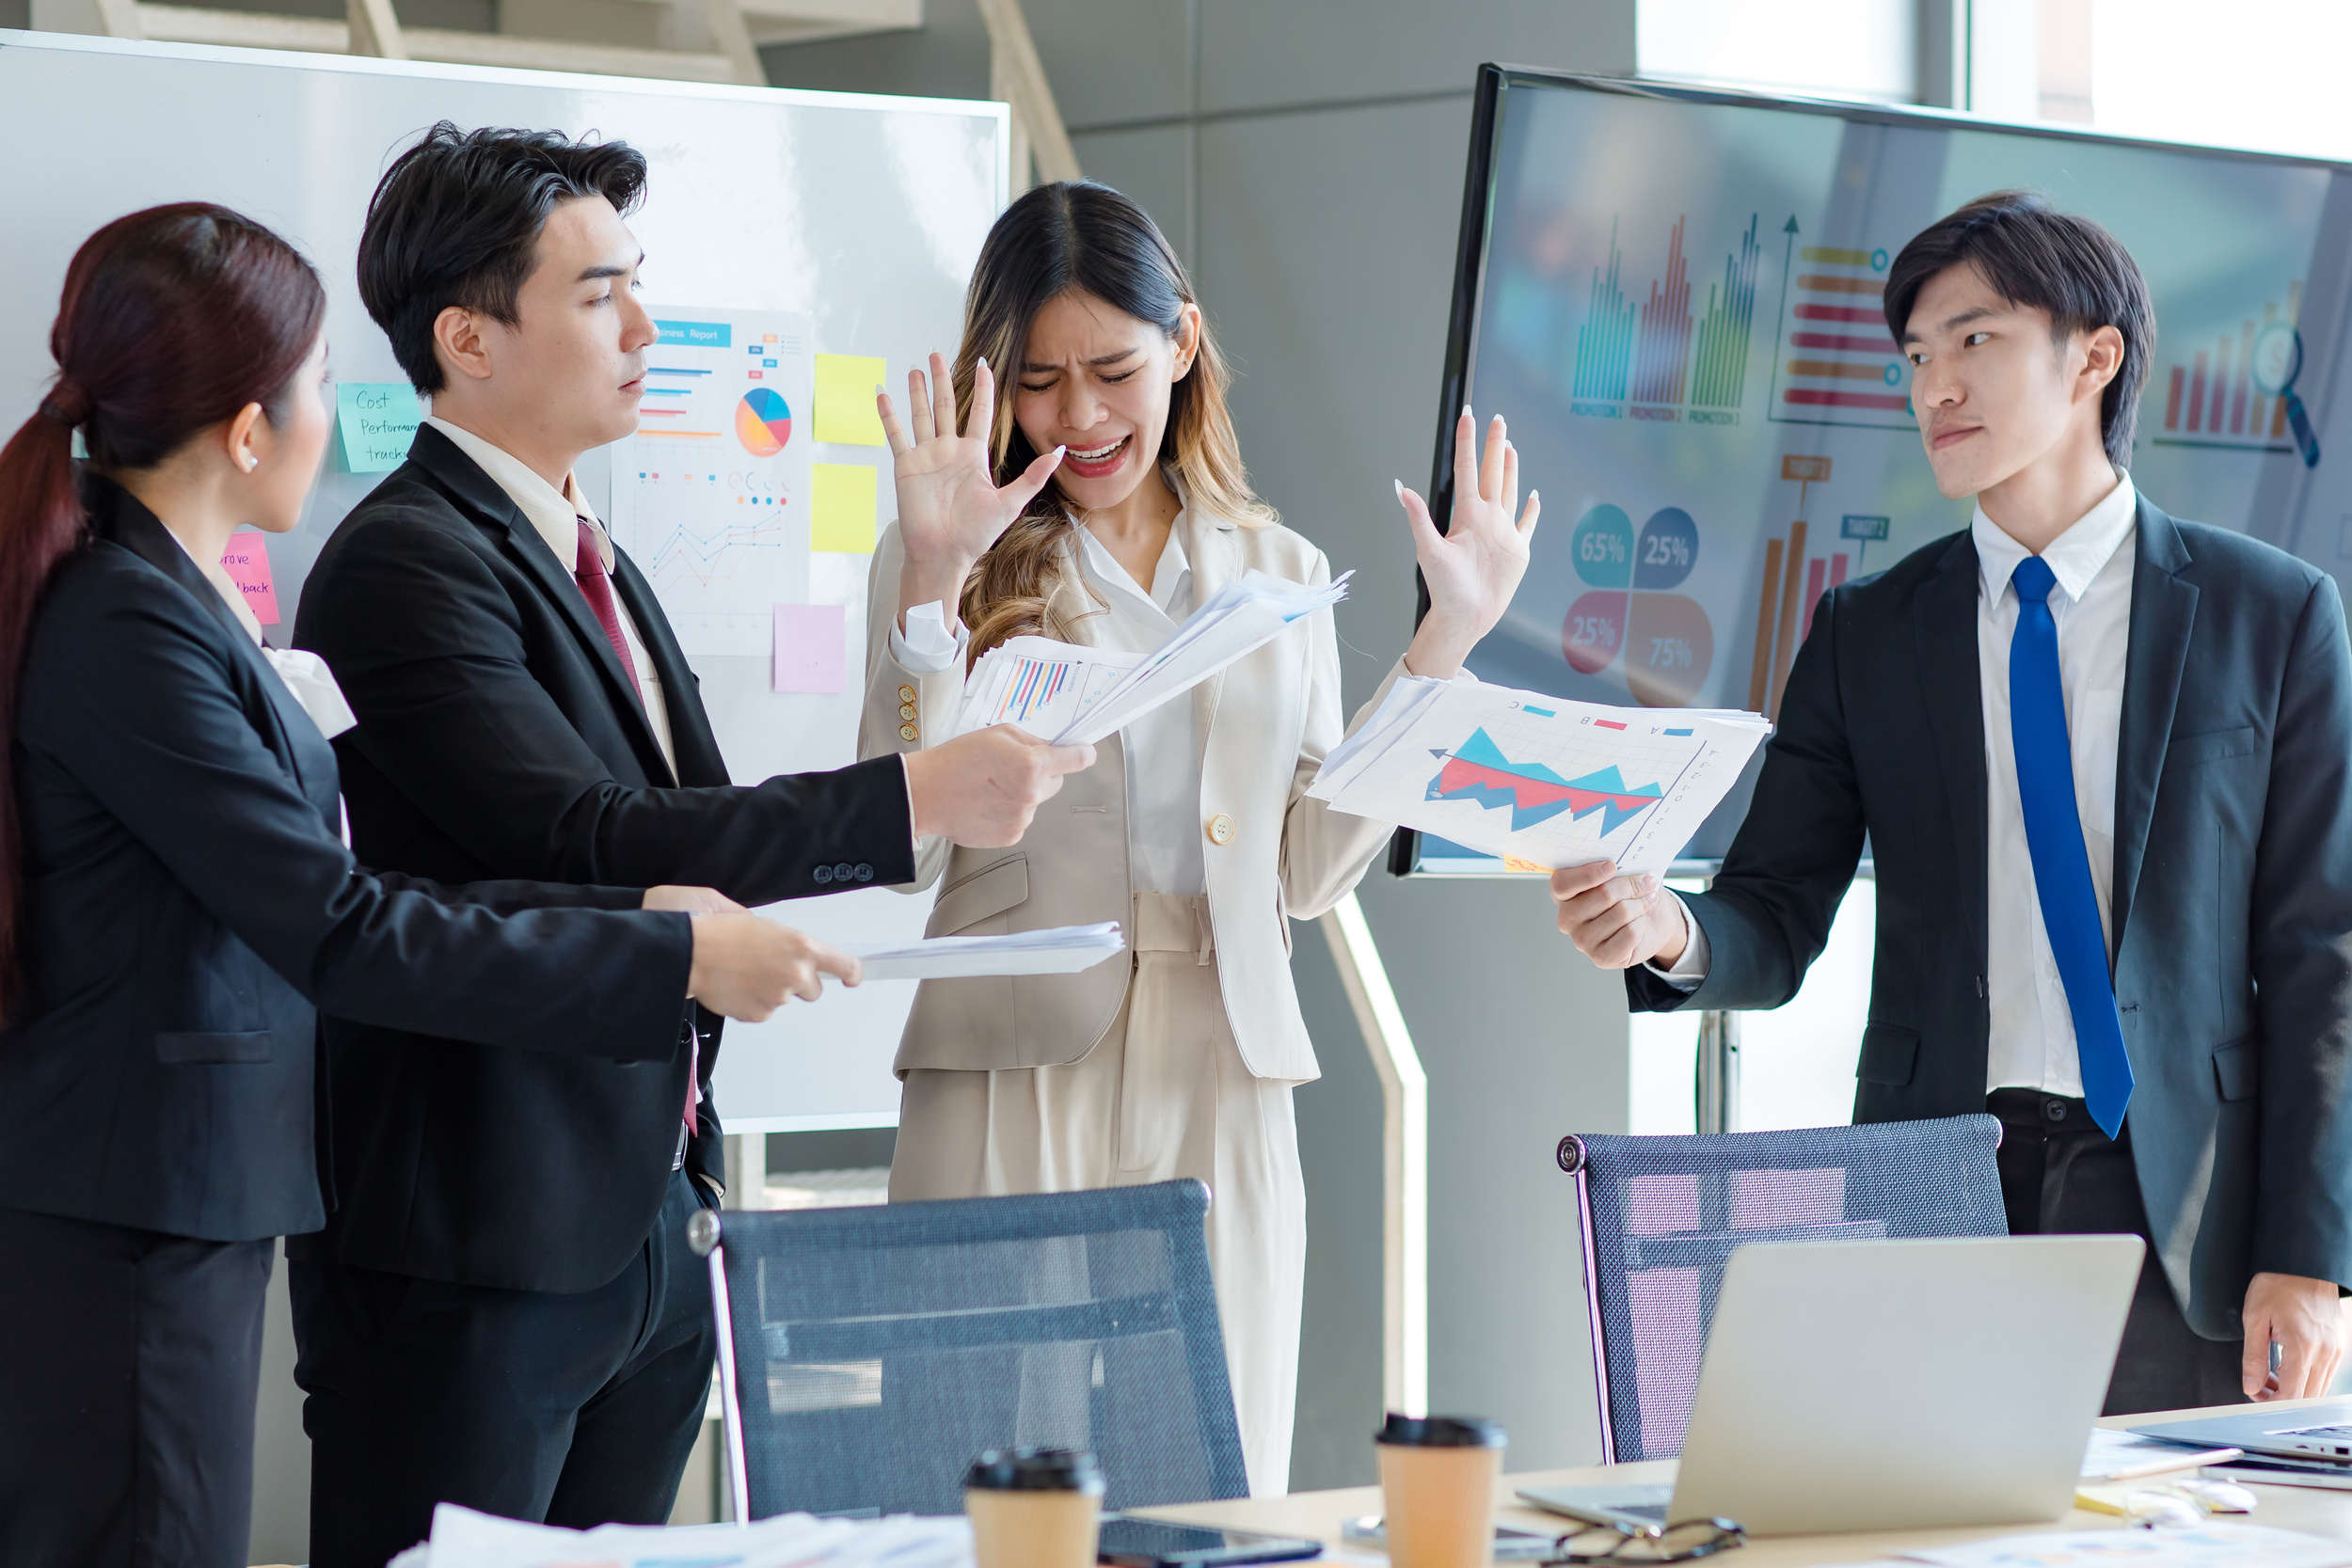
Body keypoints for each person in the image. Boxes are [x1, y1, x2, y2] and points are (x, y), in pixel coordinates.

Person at [0, 203, 855, 1568]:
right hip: (139, 1216)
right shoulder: (129, 621)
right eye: (317, 382)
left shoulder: (166, 600)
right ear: (243, 425)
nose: (336, 417)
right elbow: (341, 926)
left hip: (185, 1201)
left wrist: (646, 924)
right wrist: (662, 955)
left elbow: (354, 884)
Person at [286, 123, 1093, 1567]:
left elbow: (701, 838)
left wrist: (934, 591)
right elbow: (589, 838)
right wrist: (911, 794)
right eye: (599, 293)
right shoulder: (408, 560)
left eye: (636, 283)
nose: (646, 327)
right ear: (469, 339)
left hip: (649, 1227)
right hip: (476, 1246)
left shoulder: (592, 552)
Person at [1552, 191, 2352, 1415]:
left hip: (2185, 1200)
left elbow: (2324, 960)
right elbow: (1773, 914)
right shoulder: (1870, 631)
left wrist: (2311, 1260)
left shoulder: (2274, 615)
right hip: (1940, 1175)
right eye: (1917, 357)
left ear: (2094, 357)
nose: (1936, 385)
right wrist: (1673, 931)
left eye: (1974, 341)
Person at [862, 180, 1539, 1493]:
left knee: (1216, 1475)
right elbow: (899, 839)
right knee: (995, 1483)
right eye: (1041, 380)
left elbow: (1305, 868)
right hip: (1013, 1054)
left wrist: (1442, 647)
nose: (1081, 416)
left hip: (1223, 1055)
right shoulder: (951, 545)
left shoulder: (1277, 569)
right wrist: (932, 585)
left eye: (1114, 369)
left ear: (1183, 345)